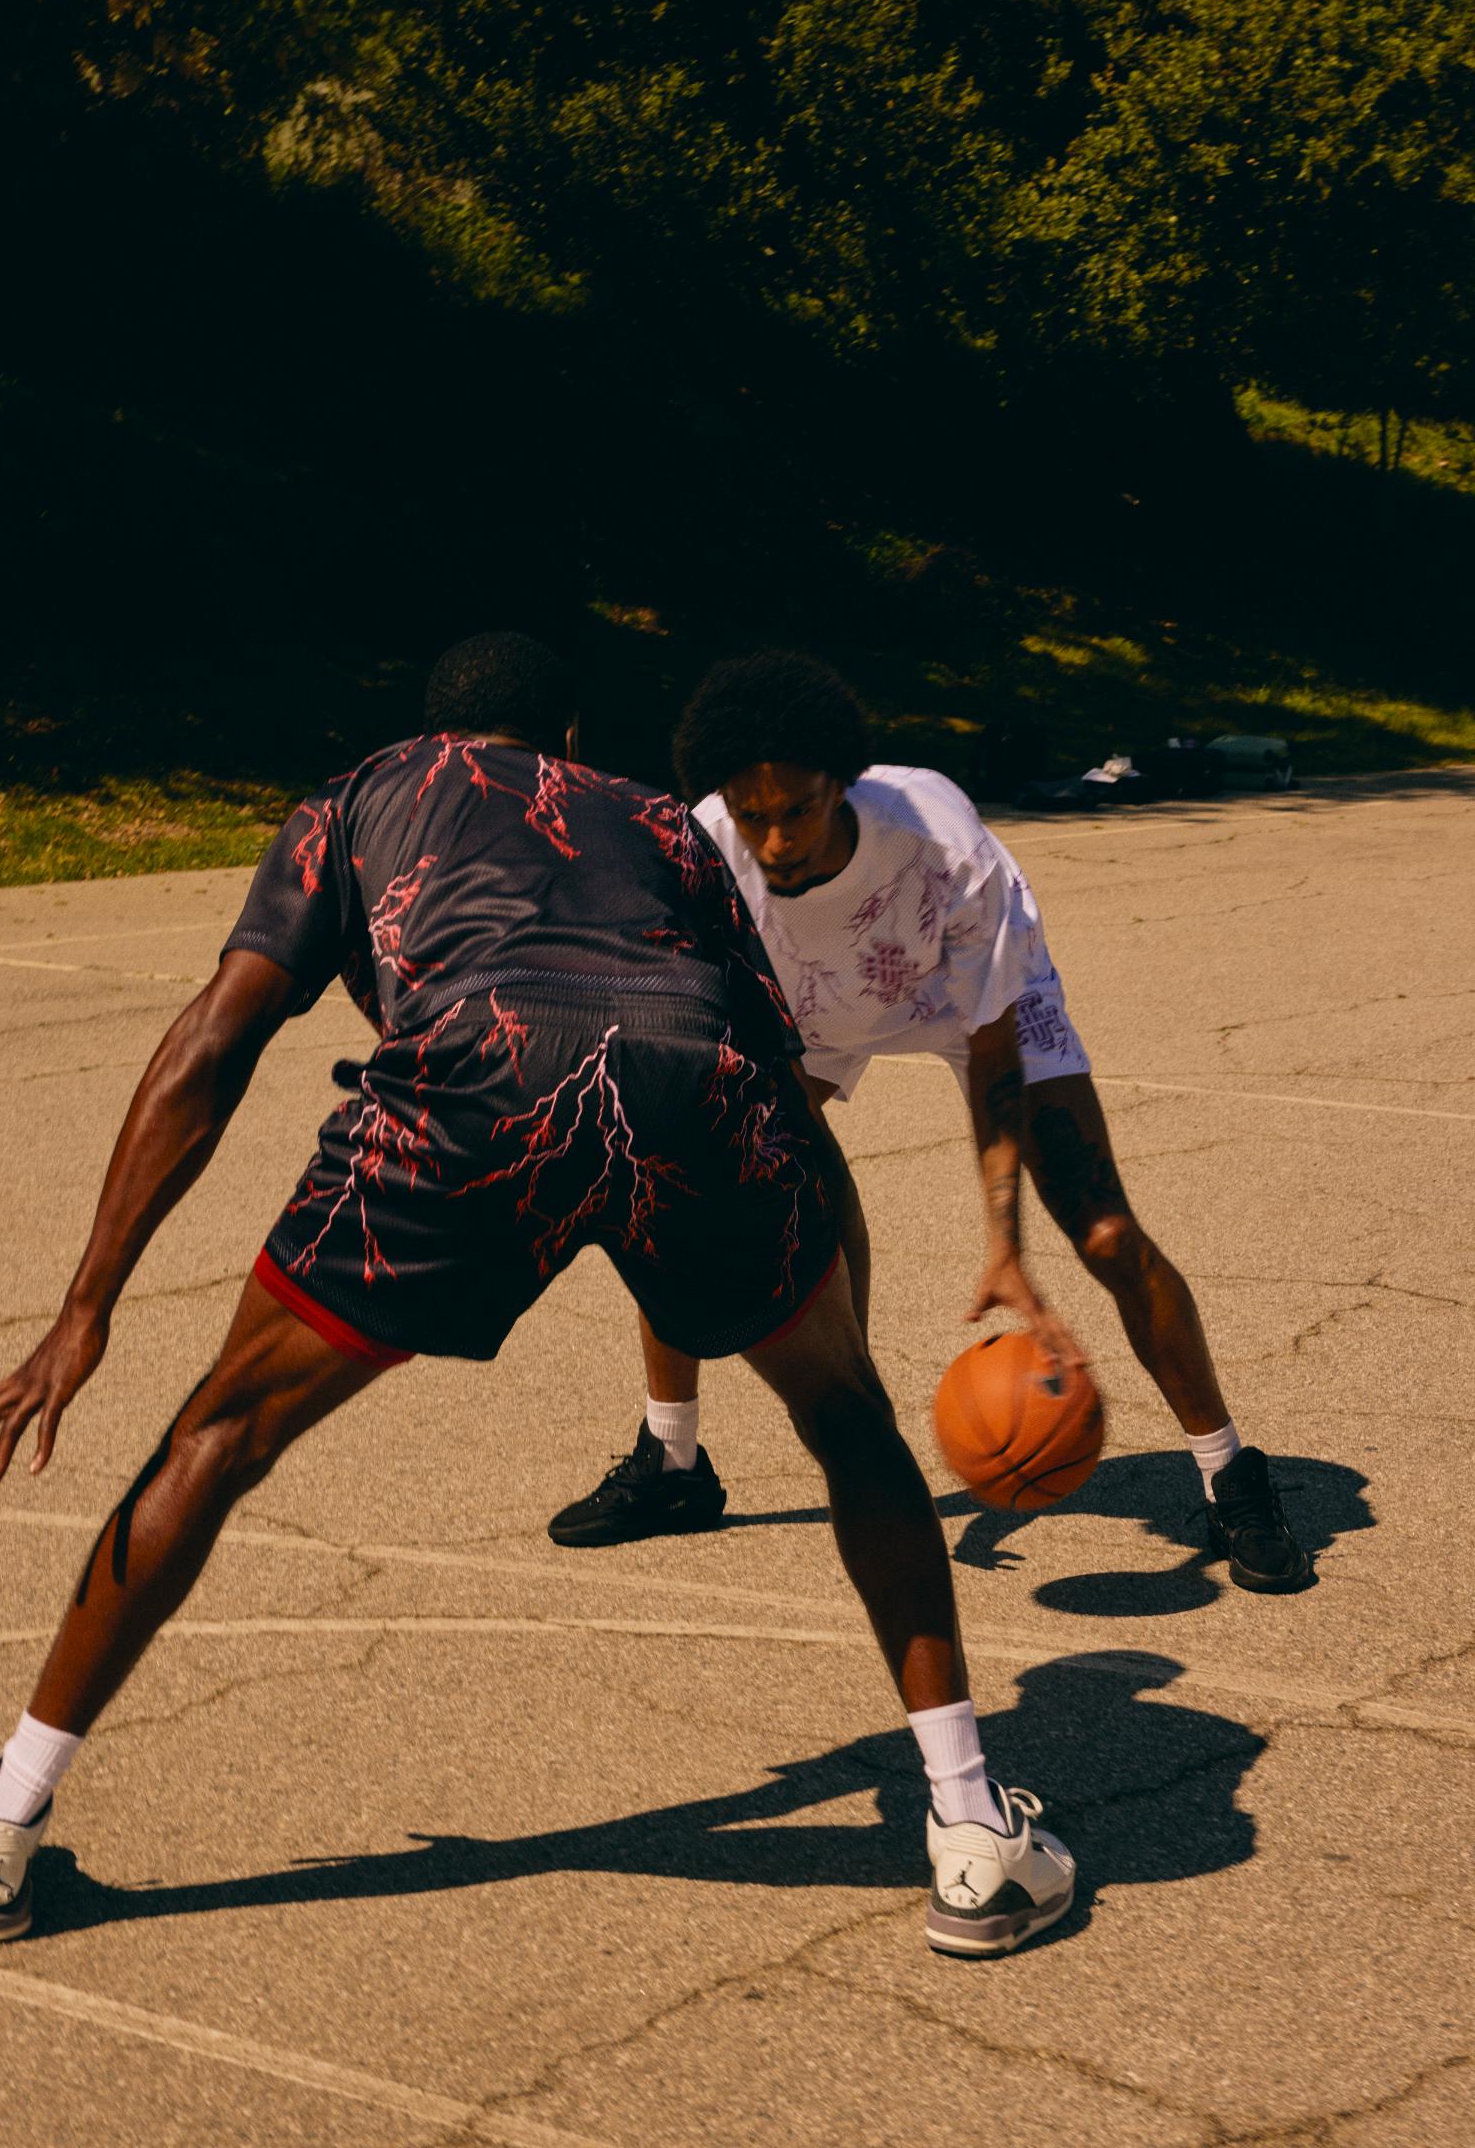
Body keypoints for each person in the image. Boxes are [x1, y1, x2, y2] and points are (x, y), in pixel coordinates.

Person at [0, 633, 1075, 1960]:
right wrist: (832, 1340)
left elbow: (216, 1033)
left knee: (219, 1438)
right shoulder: (664, 822)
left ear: (444, 734)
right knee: (850, 1429)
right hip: (688, 1088)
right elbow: (772, 1069)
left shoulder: (359, 795)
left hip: (476, 1084)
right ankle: (974, 1838)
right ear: (570, 738)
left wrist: (88, 1306)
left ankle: (1, 1825)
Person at [549, 651, 1309, 1597]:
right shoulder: (706, 846)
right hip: (817, 1002)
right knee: (682, 1186)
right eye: (755, 816)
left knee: (1105, 1229)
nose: (775, 838)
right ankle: (674, 1464)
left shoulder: (941, 845)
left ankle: (1231, 1474)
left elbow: (988, 1054)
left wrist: (1006, 1249)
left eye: (798, 811)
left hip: (967, 992)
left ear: (844, 784)